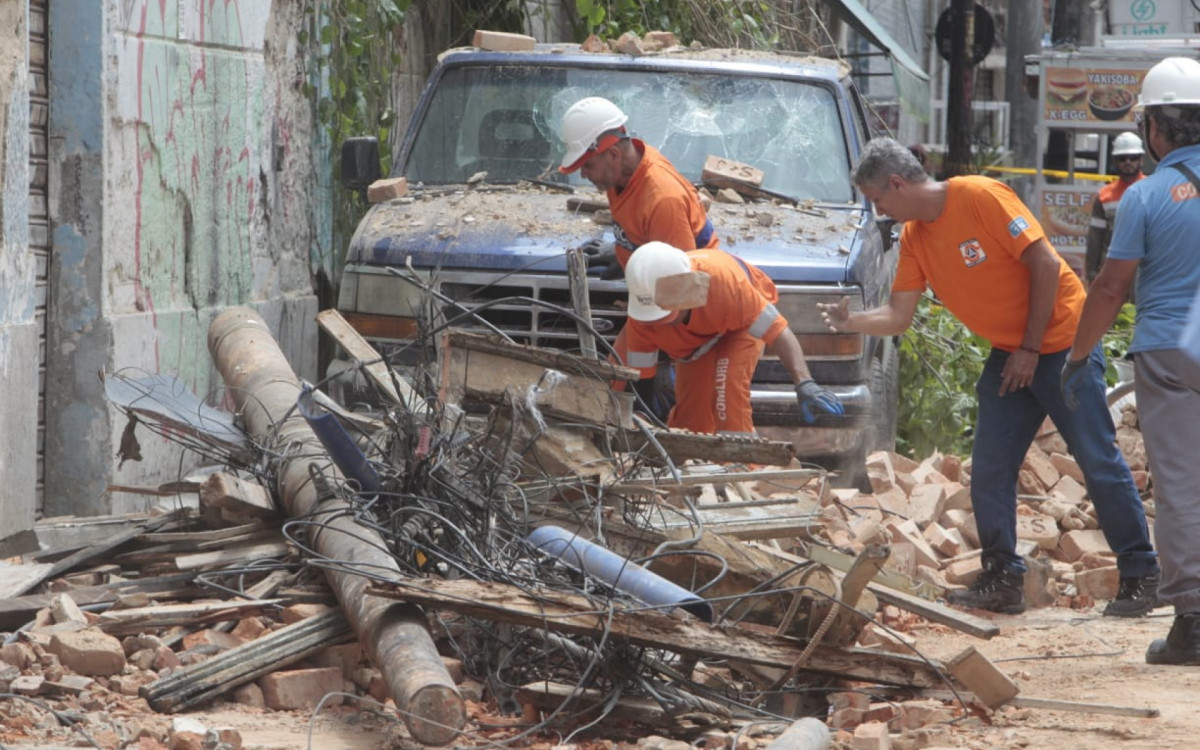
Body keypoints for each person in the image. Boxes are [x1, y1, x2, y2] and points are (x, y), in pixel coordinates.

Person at [819, 137, 1159, 616]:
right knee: (992, 466)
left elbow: (1042, 263)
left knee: (1096, 457)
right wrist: (852, 320)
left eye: (879, 199)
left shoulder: (980, 196)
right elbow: (898, 315)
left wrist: (1029, 347)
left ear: (897, 183)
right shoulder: (915, 237)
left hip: (1062, 341)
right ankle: (1003, 577)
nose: (879, 210)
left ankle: (1142, 574)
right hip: (1012, 351)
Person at [1063, 57, 1200, 663]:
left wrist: (1078, 355)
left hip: (1171, 350)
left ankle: (1193, 623)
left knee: (1180, 487)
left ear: (1155, 130)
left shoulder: (1144, 196)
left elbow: (1111, 288)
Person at [618, 242, 843, 434]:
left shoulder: (725, 285)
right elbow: (641, 384)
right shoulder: (642, 320)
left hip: (738, 328)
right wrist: (639, 421)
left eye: (665, 313)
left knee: (727, 388)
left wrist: (805, 382)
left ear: (686, 291)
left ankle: (739, 468)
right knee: (691, 418)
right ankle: (693, 471)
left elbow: (778, 331)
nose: (660, 323)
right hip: (697, 346)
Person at [558, 97, 718, 278]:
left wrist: (640, 304)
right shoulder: (619, 175)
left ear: (613, 155)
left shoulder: (663, 200)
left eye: (588, 166)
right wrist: (623, 255)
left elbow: (682, 284)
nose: (583, 175)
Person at [1085, 131, 1146, 286]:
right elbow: (1095, 237)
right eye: (1122, 158)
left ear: (1141, 159)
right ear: (1114, 161)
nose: (1127, 162)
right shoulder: (1104, 196)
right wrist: (1092, 273)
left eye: (1133, 158)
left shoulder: (1154, 190)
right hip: (1112, 270)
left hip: (1145, 270)